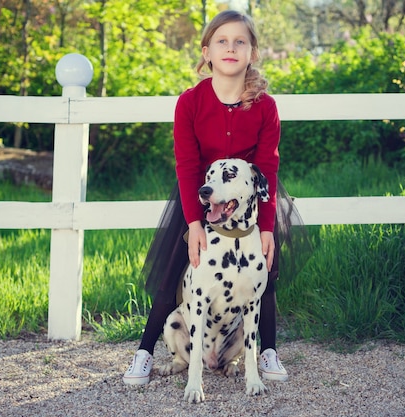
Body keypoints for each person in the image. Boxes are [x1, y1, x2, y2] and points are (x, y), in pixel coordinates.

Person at [123, 9, 302, 386]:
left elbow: (267, 168)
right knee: (174, 270)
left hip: (250, 206)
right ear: (206, 52)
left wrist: (265, 227)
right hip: (199, 198)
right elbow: (187, 165)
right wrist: (194, 223)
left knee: (265, 270)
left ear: (252, 52)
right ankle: (144, 350)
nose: (231, 48)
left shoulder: (265, 106)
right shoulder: (190, 102)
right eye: (222, 41)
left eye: (240, 41)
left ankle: (265, 349)